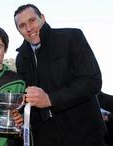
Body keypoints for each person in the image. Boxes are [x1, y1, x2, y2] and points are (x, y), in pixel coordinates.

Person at [14, 4, 106, 146]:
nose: (28, 28)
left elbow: (92, 81)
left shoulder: (72, 37)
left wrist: (50, 99)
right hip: (44, 136)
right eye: (22, 25)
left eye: (32, 20)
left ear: (42, 18)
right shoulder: (21, 57)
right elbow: (28, 96)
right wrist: (19, 115)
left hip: (83, 133)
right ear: (19, 30)